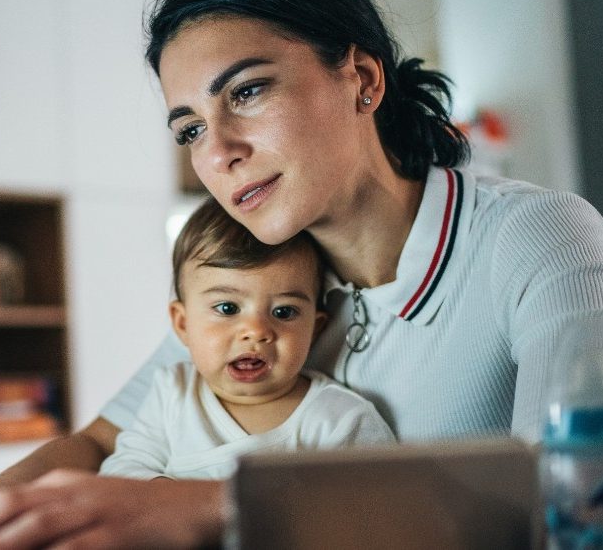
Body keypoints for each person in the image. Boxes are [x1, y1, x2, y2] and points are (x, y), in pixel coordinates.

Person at [0, 0, 603, 549]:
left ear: (363, 78)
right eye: (190, 128)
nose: (219, 152)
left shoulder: (533, 234)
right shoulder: (262, 265)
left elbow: (596, 506)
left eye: (246, 91)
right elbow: (100, 442)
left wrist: (216, 504)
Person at [100, 196, 395, 480]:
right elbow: (124, 469)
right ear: (183, 324)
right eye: (228, 308)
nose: (256, 331)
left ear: (315, 329)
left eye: (284, 312)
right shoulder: (173, 394)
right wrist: (163, 496)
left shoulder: (339, 419)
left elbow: (379, 510)